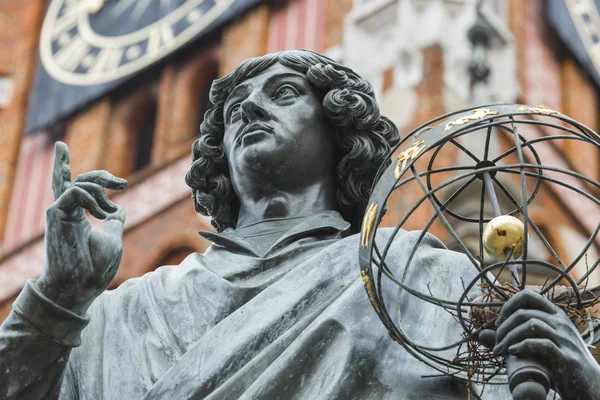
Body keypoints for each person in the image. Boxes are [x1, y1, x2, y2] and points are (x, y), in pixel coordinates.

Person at [1, 50, 598, 399]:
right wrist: (55, 299)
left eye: (283, 93)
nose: (251, 110)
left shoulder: (420, 272)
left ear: (340, 131)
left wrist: (581, 384)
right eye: (235, 111)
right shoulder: (118, 313)